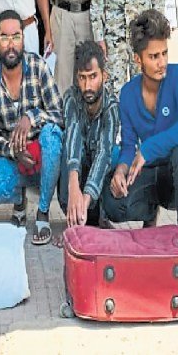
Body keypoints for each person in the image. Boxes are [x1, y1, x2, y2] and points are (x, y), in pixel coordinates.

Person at [102, 9, 178, 237]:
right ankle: (149, 213)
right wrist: (121, 171)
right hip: (147, 173)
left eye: (164, 53)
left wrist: (147, 148)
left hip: (174, 176)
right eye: (154, 57)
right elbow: (128, 145)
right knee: (112, 202)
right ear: (138, 59)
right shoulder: (128, 94)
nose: (162, 62)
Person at [0, 10, 63, 245]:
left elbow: (60, 116)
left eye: (16, 36)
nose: (10, 44)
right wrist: (14, 151)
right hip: (15, 158)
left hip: (43, 156)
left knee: (52, 135)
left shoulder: (38, 67)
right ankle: (19, 201)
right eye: (4, 37)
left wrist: (31, 117)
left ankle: (43, 212)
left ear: (23, 38)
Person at [59, 40, 119, 227]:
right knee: (60, 141)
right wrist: (74, 189)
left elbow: (103, 153)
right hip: (72, 190)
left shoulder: (111, 107)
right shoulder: (71, 97)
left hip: (94, 195)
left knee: (114, 153)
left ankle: (100, 216)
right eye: (82, 78)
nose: (87, 86)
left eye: (93, 77)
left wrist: (84, 202)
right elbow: (73, 135)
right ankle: (75, 214)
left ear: (104, 76)